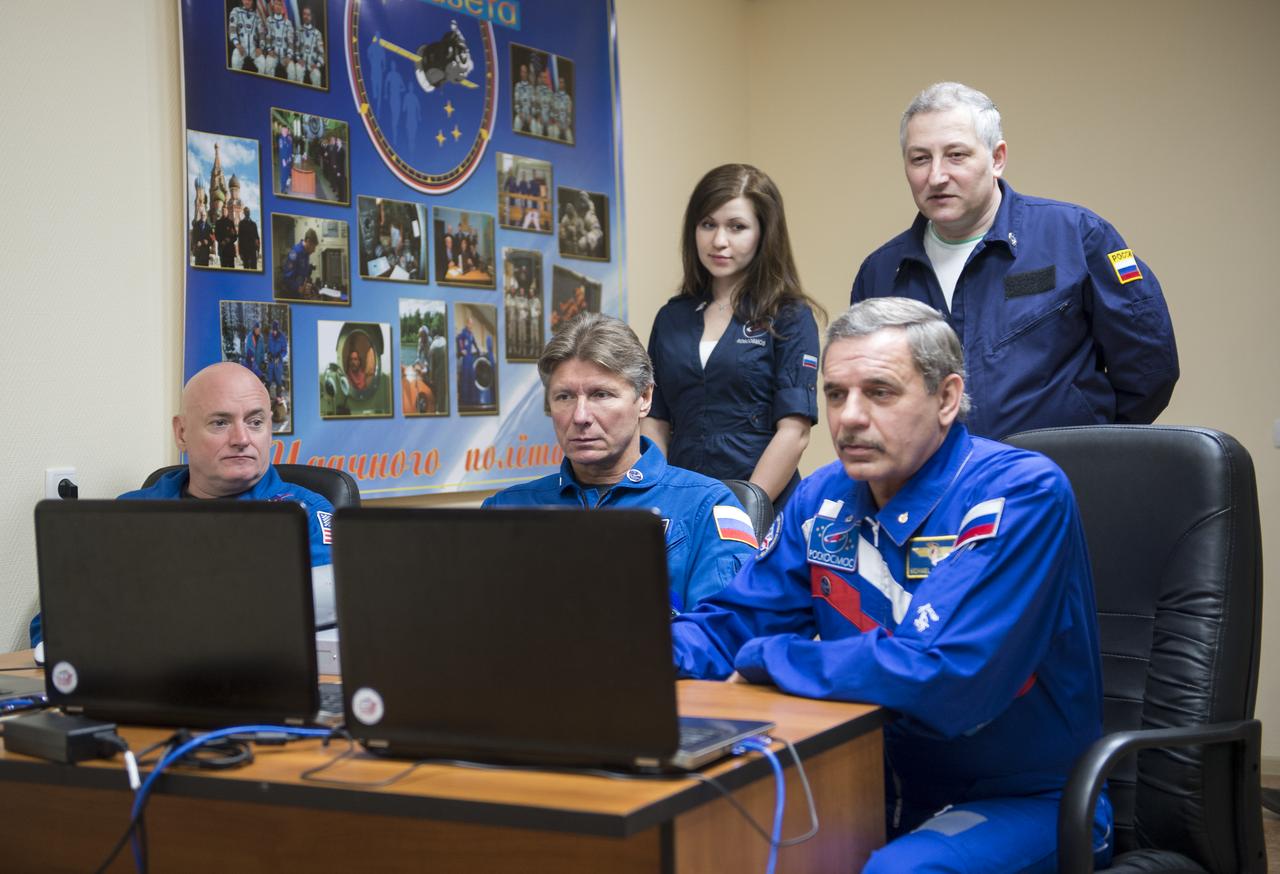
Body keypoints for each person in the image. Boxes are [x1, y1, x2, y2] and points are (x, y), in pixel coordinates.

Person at [672, 298, 1112, 872]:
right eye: (835, 394)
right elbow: (734, 623)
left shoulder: (1018, 494)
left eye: (879, 392)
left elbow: (941, 673)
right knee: (713, 844)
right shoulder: (822, 498)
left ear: (947, 398)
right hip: (866, 783)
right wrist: (637, 657)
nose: (849, 417)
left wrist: (769, 656)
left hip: (1024, 799)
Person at [850, 82, 1178, 439]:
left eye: (956, 155)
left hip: (1058, 480)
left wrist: (1092, 448)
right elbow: (866, 392)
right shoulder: (881, 273)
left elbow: (1148, 366)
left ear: (997, 158)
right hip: (932, 487)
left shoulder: (1077, 236)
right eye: (920, 158)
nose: (937, 176)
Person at [484, 313, 757, 611]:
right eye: (564, 397)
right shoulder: (504, 511)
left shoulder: (707, 507)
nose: (580, 416)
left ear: (645, 398)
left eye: (601, 394)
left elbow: (723, 636)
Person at [644, 163, 824, 508]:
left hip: (761, 503)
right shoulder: (671, 317)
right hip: (683, 504)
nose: (719, 241)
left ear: (764, 233)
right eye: (707, 224)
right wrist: (662, 495)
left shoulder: (789, 315)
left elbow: (795, 432)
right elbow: (655, 419)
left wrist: (743, 510)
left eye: (737, 227)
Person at [129, 363, 335, 625]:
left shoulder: (307, 515)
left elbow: (330, 602)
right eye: (220, 422)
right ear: (182, 433)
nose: (242, 438)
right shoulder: (133, 511)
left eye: (255, 422)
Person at [281, 228, 318, 297]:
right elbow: (286, 277)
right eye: (313, 246)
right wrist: (298, 288)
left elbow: (302, 273)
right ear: (308, 241)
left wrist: (307, 284)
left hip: (300, 293)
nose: (314, 250)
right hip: (291, 294)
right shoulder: (295, 252)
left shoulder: (306, 254)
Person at [214, 203, 238, 268]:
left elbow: (235, 236)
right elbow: (216, 235)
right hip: (222, 250)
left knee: (231, 270)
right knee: (223, 269)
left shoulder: (231, 222)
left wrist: (229, 240)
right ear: (221, 212)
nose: (224, 212)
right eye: (223, 211)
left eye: (225, 210)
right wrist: (222, 241)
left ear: (227, 211)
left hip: (230, 250)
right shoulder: (218, 223)